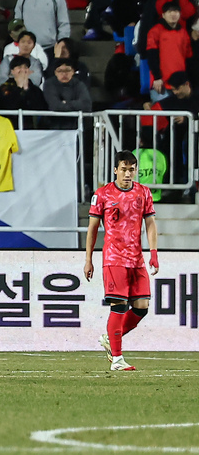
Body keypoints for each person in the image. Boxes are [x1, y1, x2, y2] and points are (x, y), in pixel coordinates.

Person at [85, 150, 159, 372]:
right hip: (114, 258)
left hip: (136, 259)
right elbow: (93, 229)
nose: (128, 174)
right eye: (124, 170)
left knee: (142, 307)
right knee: (119, 306)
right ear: (115, 170)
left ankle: (109, 337)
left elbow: (151, 224)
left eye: (132, 170)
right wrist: (88, 259)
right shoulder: (103, 194)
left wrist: (153, 252)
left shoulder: (144, 193)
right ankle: (117, 360)